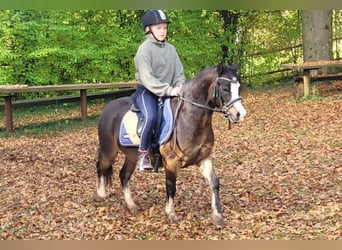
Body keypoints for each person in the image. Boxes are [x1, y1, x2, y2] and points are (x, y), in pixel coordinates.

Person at [131, 10, 186, 171]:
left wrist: (179, 86)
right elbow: (147, 78)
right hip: (147, 92)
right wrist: (169, 90)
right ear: (149, 29)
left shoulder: (171, 49)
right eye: (158, 28)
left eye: (164, 28)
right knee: (151, 117)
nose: (162, 31)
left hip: (169, 92)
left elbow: (179, 73)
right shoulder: (144, 50)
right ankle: (143, 155)